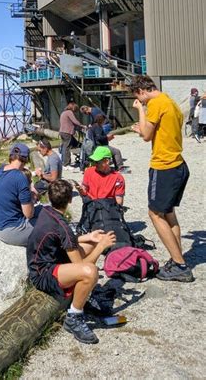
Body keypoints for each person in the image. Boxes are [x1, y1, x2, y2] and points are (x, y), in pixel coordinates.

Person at [27, 180, 116, 344]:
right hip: (42, 274)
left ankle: (83, 294)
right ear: (70, 200)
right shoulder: (63, 227)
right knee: (91, 273)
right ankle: (74, 316)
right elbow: (84, 266)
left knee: (89, 245)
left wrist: (89, 237)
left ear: (50, 197)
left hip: (44, 260)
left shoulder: (47, 212)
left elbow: (62, 239)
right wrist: (101, 247)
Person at [130, 75, 193, 282]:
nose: (142, 101)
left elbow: (147, 136)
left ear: (141, 91)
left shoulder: (155, 103)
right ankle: (178, 259)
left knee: (155, 213)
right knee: (168, 213)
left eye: (139, 98)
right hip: (178, 164)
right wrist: (142, 128)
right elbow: (154, 132)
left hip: (164, 166)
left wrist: (140, 110)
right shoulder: (170, 101)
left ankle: (180, 266)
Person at [0, 143, 41, 246]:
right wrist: (32, 197)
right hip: (11, 230)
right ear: (26, 159)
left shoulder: (1, 169)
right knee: (50, 224)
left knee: (44, 210)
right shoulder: (20, 177)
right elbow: (29, 214)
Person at [59, 102, 85, 169]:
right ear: (73, 108)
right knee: (67, 148)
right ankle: (66, 164)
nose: (75, 111)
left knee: (71, 145)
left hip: (62, 132)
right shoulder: (69, 112)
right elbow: (75, 121)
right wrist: (82, 125)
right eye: (75, 109)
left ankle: (64, 162)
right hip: (67, 132)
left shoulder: (63, 112)